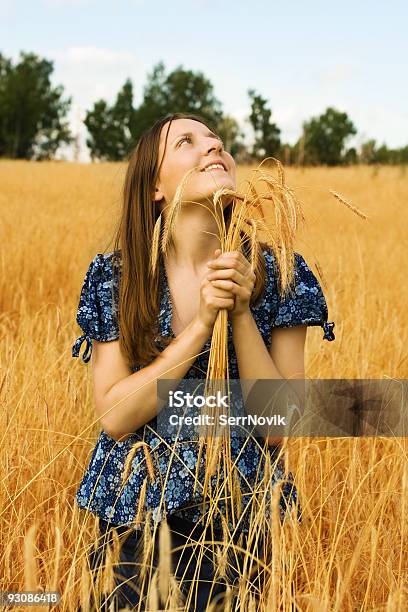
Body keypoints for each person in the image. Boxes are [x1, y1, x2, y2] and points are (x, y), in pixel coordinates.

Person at [72, 112, 335, 610]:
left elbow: (279, 424)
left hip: (242, 513)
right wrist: (198, 329)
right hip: (136, 509)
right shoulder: (117, 277)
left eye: (217, 142)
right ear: (155, 185)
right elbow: (114, 416)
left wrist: (238, 312)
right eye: (187, 143)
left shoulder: (280, 274)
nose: (213, 148)